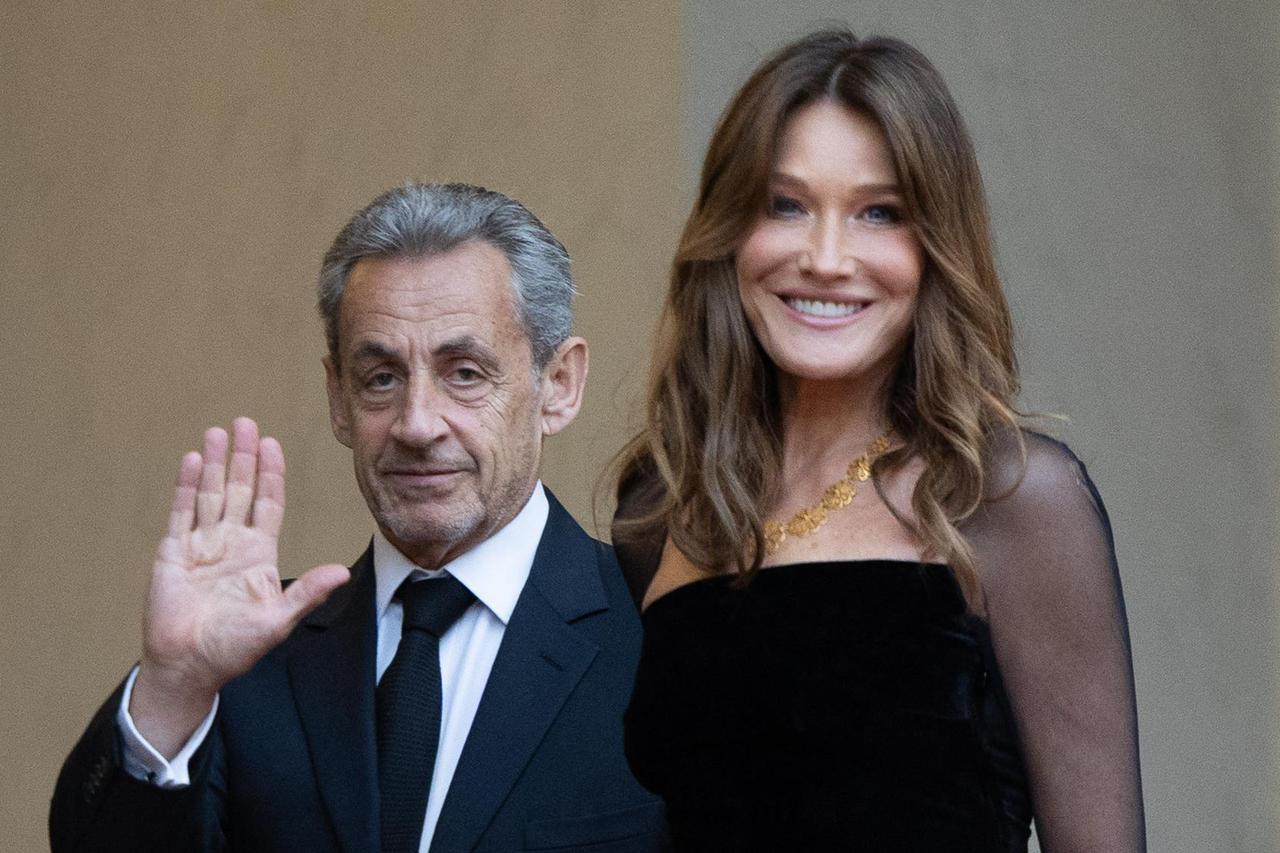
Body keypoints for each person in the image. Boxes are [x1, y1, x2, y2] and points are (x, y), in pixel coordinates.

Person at [612, 29, 1145, 852]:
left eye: (879, 213)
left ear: (935, 248)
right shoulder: (662, 505)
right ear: (729, 231)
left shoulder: (1008, 497)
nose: (826, 258)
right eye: (785, 205)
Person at [51, 182, 665, 852]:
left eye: (464, 373)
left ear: (559, 385)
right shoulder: (246, 660)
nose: (417, 424)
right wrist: (173, 689)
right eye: (381, 378)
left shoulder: (659, 635)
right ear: (338, 400)